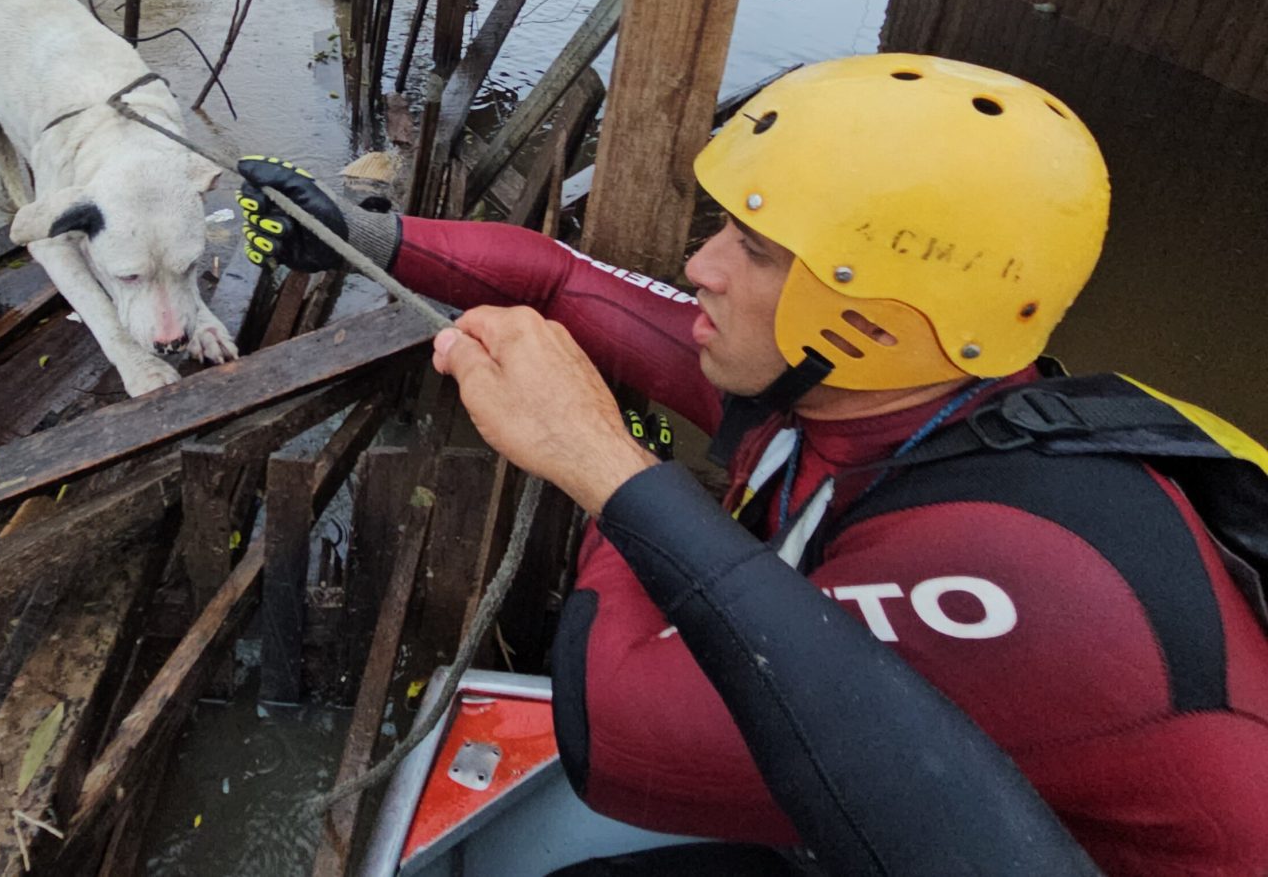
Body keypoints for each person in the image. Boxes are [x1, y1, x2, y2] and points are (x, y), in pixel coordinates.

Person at [236, 54, 1268, 876]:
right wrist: (355, 231)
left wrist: (604, 467)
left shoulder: (1022, 574)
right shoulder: (874, 392)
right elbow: (558, 279)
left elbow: (614, 739)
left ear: (869, 317)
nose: (702, 265)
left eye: (758, 249)